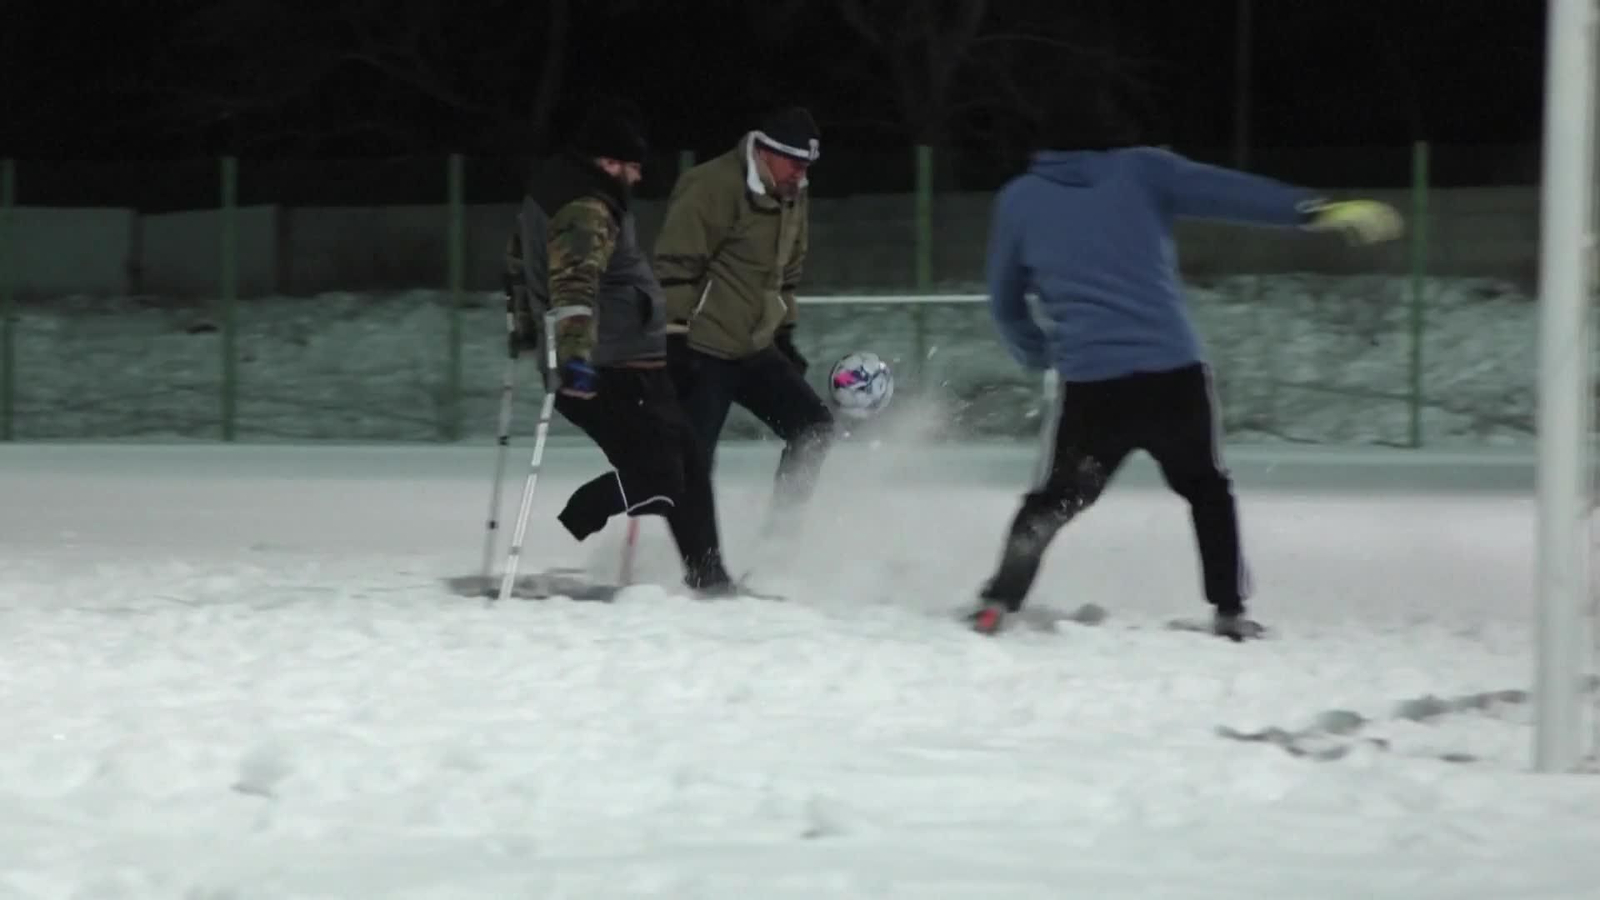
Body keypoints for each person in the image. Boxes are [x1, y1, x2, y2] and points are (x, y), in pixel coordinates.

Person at [970, 100, 1403, 639]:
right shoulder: (1143, 169)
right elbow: (1230, 192)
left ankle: (998, 602)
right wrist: (1313, 210)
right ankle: (1229, 611)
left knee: (1056, 499)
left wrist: (1037, 353)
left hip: (1094, 388)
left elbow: (1005, 303)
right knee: (1206, 490)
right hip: (1173, 377)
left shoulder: (1020, 200)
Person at [504, 100, 735, 594]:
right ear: (607, 162)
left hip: (630, 360)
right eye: (630, 168)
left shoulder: (561, 192)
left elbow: (517, 266)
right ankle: (587, 508)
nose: (634, 179)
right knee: (665, 476)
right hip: (608, 368)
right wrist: (575, 361)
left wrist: (523, 329)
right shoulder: (585, 207)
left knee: (689, 462)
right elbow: (573, 288)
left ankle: (709, 576)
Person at [651, 106, 833, 538]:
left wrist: (784, 332)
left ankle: (780, 540)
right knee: (694, 460)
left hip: (753, 347)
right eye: (795, 163)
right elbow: (674, 266)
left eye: (808, 166)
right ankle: (703, 570)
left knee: (812, 427)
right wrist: (674, 338)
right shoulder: (710, 186)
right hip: (702, 347)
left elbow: (786, 272)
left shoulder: (793, 193)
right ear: (766, 152)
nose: (801, 174)